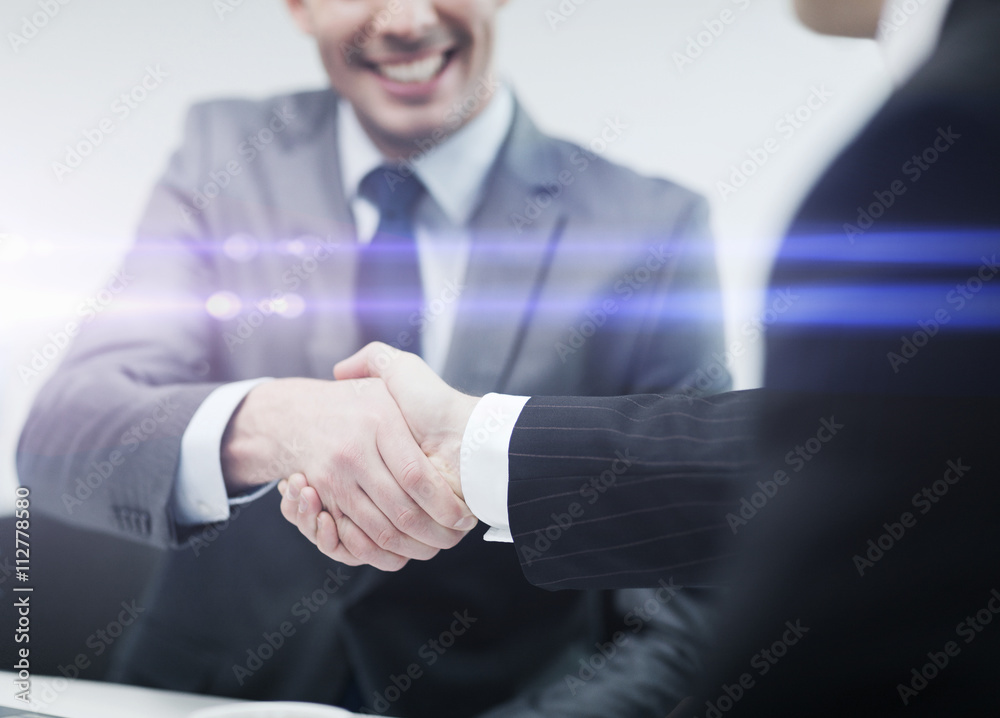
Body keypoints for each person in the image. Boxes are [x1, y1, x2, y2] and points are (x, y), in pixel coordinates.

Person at [16, 0, 733, 714]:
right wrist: (273, 420)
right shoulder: (226, 153)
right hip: (208, 697)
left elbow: (693, 606)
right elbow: (62, 435)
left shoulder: (649, 227)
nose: (402, 20)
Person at [286, 0, 1000, 712]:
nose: (405, 17)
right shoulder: (234, 163)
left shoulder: (953, 134)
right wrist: (469, 441)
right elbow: (868, 456)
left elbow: (844, 612)